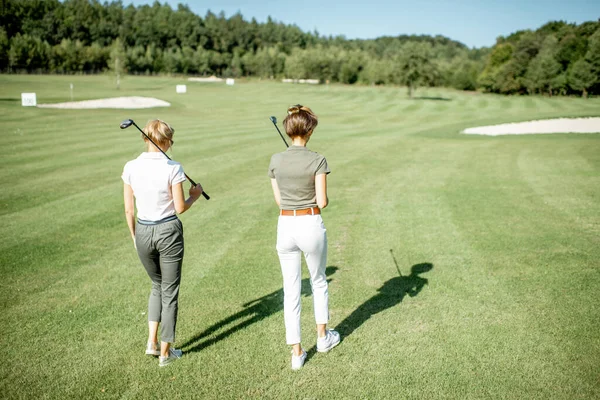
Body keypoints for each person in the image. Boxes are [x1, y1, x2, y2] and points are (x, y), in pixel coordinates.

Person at [122, 119, 203, 367]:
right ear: (165, 141)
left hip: (143, 232)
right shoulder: (173, 167)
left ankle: (151, 343)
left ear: (146, 139)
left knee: (157, 285)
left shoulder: (130, 166)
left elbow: (128, 210)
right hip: (168, 230)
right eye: (171, 140)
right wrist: (194, 196)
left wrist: (136, 238)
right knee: (169, 292)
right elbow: (180, 207)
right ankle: (166, 354)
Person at [268, 104, 340, 370]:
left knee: (291, 289)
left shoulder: (275, 160)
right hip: (310, 222)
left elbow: (279, 200)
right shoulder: (318, 159)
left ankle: (296, 353)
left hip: (285, 225)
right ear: (308, 131)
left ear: (288, 130)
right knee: (319, 282)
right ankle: (322, 338)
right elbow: (322, 201)